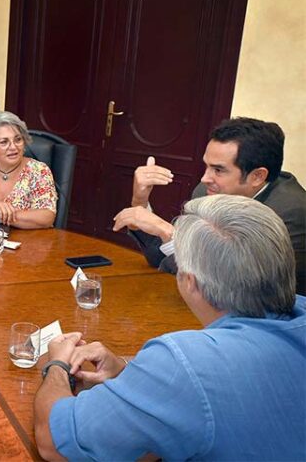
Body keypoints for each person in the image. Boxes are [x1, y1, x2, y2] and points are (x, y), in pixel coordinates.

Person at [35, 195, 306, 461]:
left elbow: (53, 441)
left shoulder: (184, 362)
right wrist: (129, 372)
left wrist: (57, 365)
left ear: (189, 281)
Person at [113, 116, 305, 294]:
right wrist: (140, 202)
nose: (205, 178)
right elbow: (162, 259)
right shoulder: (207, 192)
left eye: (218, 170)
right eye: (207, 166)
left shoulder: (293, 212)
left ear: (257, 176)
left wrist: (171, 235)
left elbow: (245, 292)